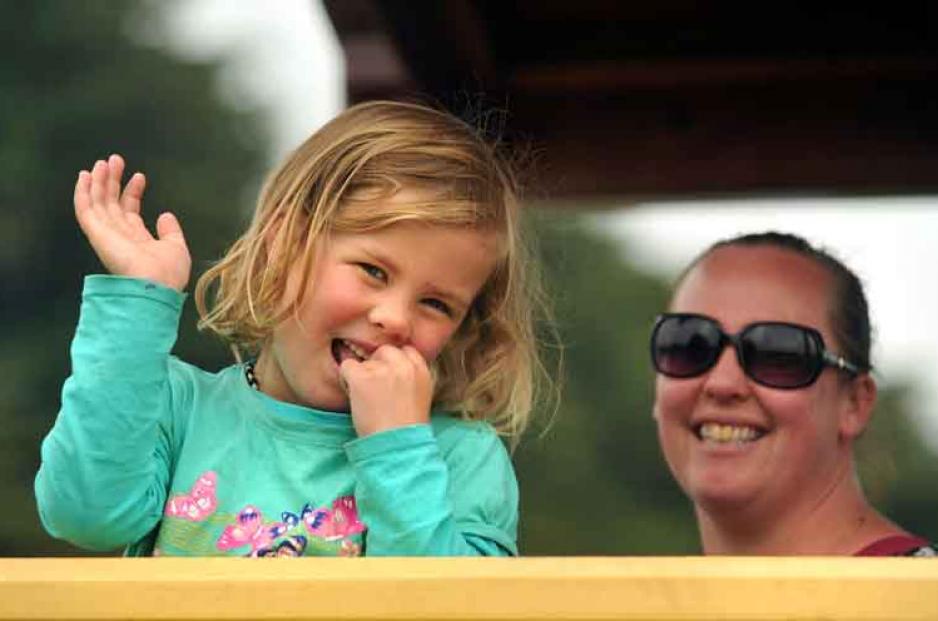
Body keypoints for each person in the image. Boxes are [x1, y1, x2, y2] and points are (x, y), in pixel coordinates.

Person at [35, 100, 553, 557]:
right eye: (373, 271)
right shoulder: (180, 409)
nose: (395, 319)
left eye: (437, 303)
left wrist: (398, 447)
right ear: (286, 245)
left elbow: (448, 611)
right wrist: (139, 303)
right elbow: (85, 515)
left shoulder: (459, 456)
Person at [649, 231, 938, 556]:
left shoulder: (932, 601)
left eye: (777, 354)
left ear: (855, 404)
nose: (722, 383)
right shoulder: (627, 603)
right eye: (690, 344)